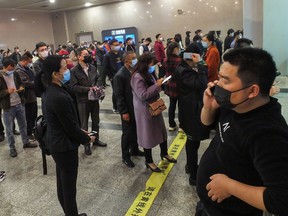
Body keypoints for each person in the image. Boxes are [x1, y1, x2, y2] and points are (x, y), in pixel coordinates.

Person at [196, 48, 288, 216]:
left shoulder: (268, 135)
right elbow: (205, 123)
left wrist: (230, 186)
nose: (218, 84)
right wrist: (208, 106)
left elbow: (281, 200)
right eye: (219, 77)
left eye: (225, 80)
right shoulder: (235, 104)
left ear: (252, 91)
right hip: (208, 206)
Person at [44, 55, 94, 216]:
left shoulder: (52, 90)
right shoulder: (57, 96)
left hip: (58, 143)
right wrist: (86, 139)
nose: (67, 71)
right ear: (55, 73)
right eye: (64, 68)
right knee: (69, 189)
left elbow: (67, 123)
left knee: (63, 185)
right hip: (64, 147)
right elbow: (70, 127)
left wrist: (80, 131)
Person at [130, 53, 176, 172]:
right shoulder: (137, 76)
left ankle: (164, 153)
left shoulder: (148, 73)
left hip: (155, 106)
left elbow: (154, 88)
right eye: (152, 64)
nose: (153, 67)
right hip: (144, 110)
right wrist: (157, 85)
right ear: (145, 64)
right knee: (147, 135)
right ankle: (149, 160)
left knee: (161, 130)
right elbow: (143, 95)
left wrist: (161, 83)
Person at [173, 43, 209, 186]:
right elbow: (202, 83)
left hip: (189, 110)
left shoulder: (184, 67)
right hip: (191, 113)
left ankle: (190, 166)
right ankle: (194, 176)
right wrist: (201, 65)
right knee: (193, 143)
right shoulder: (184, 71)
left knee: (192, 142)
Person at [70, 48, 107, 156]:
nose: (88, 56)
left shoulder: (92, 67)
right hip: (83, 101)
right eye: (85, 54)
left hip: (94, 99)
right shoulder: (74, 71)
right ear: (79, 57)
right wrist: (88, 89)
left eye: (88, 54)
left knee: (96, 122)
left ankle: (96, 139)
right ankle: (86, 144)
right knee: (84, 124)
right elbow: (73, 86)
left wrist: (98, 87)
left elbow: (98, 78)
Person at [0, 57, 37, 157]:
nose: (12, 70)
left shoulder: (15, 73)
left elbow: (21, 84)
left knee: (23, 125)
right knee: (9, 130)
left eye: (13, 68)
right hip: (8, 107)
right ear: (5, 67)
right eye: (10, 68)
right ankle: (12, 148)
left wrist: (21, 88)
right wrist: (7, 91)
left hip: (19, 104)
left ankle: (26, 142)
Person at [114, 51, 144, 168]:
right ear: (127, 61)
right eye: (134, 58)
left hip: (135, 107)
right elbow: (119, 96)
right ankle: (125, 156)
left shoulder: (134, 71)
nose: (136, 60)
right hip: (127, 108)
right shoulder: (120, 75)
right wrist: (124, 112)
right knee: (127, 133)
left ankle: (135, 149)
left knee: (135, 129)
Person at [15, 52, 37, 140]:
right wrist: (36, 83)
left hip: (33, 96)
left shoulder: (28, 68)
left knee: (33, 116)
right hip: (26, 98)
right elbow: (25, 84)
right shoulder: (18, 71)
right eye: (29, 61)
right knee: (28, 117)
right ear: (24, 61)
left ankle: (33, 130)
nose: (30, 63)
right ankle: (28, 133)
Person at [163, 42, 181, 131]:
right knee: (181, 106)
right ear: (175, 49)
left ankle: (171, 124)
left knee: (172, 105)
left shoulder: (166, 60)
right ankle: (182, 125)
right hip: (179, 85)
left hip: (170, 84)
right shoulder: (179, 60)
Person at [103, 39, 124, 113]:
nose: (117, 46)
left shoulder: (121, 52)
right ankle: (115, 107)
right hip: (114, 77)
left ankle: (122, 105)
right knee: (116, 92)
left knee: (123, 91)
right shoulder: (107, 56)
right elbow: (105, 68)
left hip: (123, 75)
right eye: (115, 45)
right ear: (111, 46)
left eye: (118, 44)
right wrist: (111, 77)